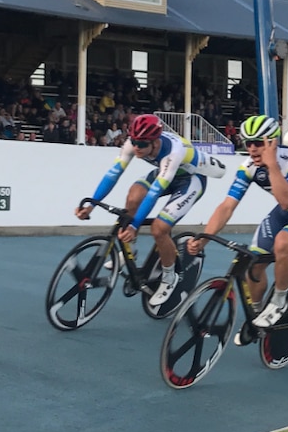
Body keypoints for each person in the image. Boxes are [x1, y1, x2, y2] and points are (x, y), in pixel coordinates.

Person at [186, 115, 288, 340]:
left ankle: (279, 302)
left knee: (283, 243)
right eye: (247, 143)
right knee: (252, 265)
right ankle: (255, 316)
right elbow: (227, 206)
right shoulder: (247, 167)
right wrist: (205, 238)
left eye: (258, 143)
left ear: (273, 142)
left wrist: (272, 166)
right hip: (284, 213)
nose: (252, 149)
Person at [75, 113, 227, 306]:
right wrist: (91, 205)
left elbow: (154, 193)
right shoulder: (133, 144)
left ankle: (169, 277)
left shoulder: (174, 152)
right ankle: (130, 250)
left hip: (190, 180)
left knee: (159, 228)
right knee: (133, 195)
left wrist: (134, 225)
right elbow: (113, 174)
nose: (137, 148)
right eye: (135, 142)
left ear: (155, 142)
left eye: (142, 144)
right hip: (166, 174)